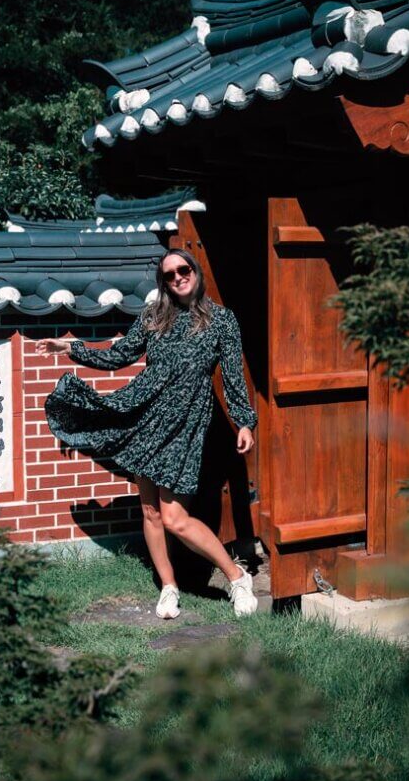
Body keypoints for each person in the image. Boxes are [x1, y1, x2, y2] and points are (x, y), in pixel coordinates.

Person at [36, 248, 258, 618]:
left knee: (175, 518)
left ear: (196, 272)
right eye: (169, 275)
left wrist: (244, 420)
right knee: (151, 511)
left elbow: (234, 376)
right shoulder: (154, 318)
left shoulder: (222, 320)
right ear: (164, 283)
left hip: (186, 422)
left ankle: (237, 578)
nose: (177, 278)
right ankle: (168, 587)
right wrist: (70, 347)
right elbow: (118, 355)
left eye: (183, 270)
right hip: (145, 414)